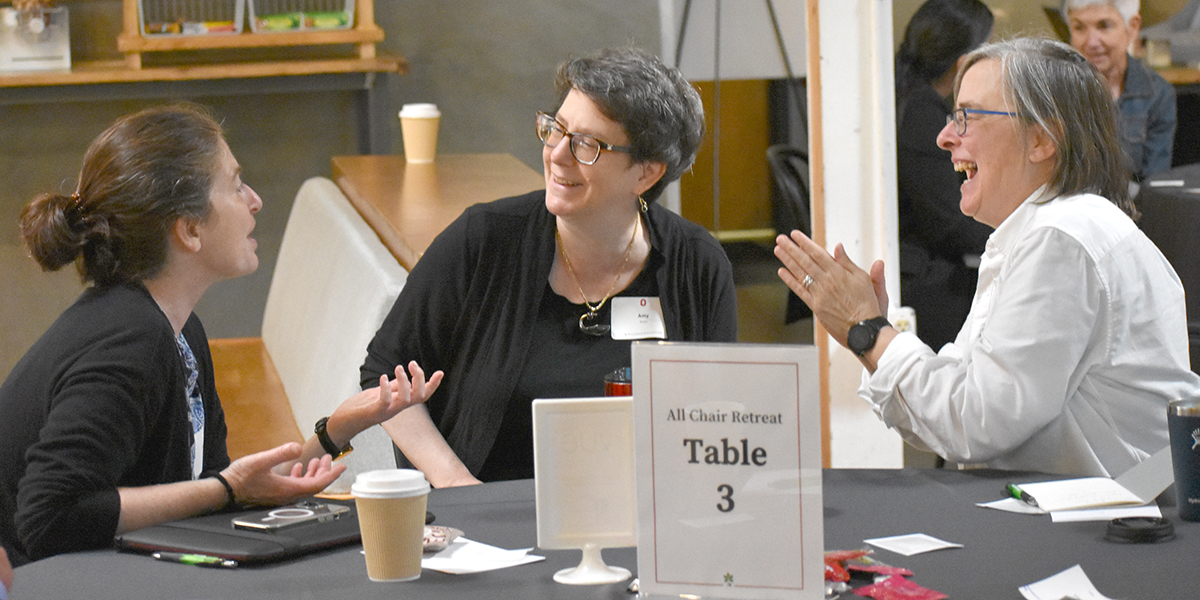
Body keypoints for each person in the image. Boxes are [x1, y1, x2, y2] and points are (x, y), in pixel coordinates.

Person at [0, 104, 443, 566]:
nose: (254, 200)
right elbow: (48, 516)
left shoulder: (178, 328)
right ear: (190, 230)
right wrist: (227, 489)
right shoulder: (131, 340)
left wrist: (337, 428)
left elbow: (214, 490)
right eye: (234, 185)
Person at [775, 38, 1200, 477]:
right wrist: (868, 338)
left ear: (1041, 139)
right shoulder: (1039, 232)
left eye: (967, 117)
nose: (945, 137)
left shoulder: (1062, 239)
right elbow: (956, 418)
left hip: (1112, 533)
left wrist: (868, 330)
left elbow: (975, 424)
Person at [361, 47, 738, 488]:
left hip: (638, 521)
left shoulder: (697, 266)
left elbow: (716, 424)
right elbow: (386, 370)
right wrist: (456, 484)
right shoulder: (485, 239)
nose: (557, 154)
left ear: (646, 174)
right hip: (488, 524)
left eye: (586, 145)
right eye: (555, 129)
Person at [895, 0, 996, 351]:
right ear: (963, 63)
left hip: (915, 258)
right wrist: (1015, 236)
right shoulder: (920, 112)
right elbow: (948, 225)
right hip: (915, 275)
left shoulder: (903, 94)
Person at [1064, 0, 1175, 180]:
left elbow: (1154, 183)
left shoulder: (1157, 94)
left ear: (1132, 27)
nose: (1092, 42)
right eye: (1079, 28)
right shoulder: (1056, 90)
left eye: (1104, 26)